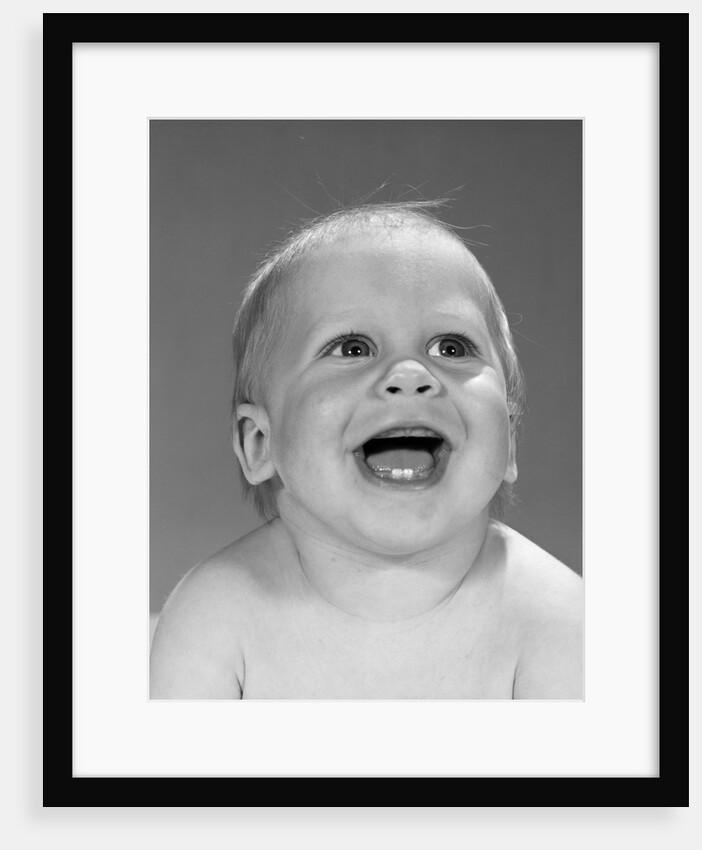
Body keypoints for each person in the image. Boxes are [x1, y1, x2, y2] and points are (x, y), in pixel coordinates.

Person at [150, 202, 582, 700]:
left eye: (451, 348)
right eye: (352, 348)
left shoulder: (559, 623)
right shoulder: (214, 622)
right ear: (259, 443)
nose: (411, 376)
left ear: (509, 438)